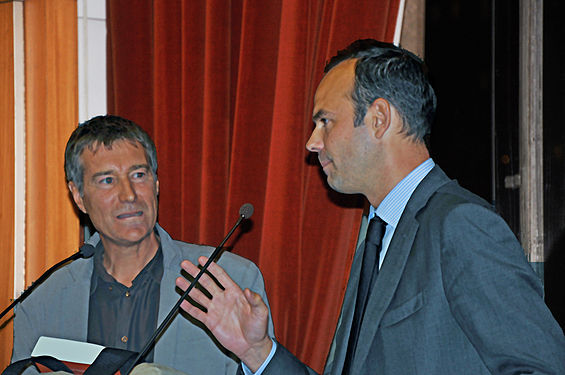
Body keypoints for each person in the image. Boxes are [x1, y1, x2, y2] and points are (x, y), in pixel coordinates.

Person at [175, 39, 565, 374]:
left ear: (379, 119)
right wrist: (257, 351)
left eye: (325, 121)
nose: (312, 142)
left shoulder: (460, 225)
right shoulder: (377, 238)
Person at [11, 115, 275, 374]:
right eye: (107, 180)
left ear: (156, 183)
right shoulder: (41, 304)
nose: (129, 194)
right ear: (79, 196)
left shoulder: (228, 280)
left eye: (139, 175)